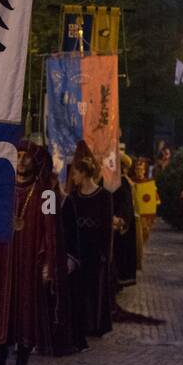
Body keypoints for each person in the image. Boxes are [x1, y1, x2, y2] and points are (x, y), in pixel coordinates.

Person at [0, 140, 75, 365]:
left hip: (29, 260)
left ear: (35, 160)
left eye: (26, 156)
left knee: (26, 313)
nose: (21, 160)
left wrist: (50, 263)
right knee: (0, 309)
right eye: (17, 155)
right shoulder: (2, 189)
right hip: (1, 257)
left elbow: (53, 232)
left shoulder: (47, 194)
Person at [62, 143, 113, 339]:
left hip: (95, 250)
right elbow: (66, 226)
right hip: (78, 249)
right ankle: (82, 323)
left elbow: (107, 229)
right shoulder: (73, 198)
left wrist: (105, 255)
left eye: (75, 173)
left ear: (83, 173)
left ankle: (96, 325)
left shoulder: (104, 196)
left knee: (95, 289)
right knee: (79, 289)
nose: (72, 178)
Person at [112, 150, 137, 290]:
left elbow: (125, 205)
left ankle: (119, 281)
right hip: (116, 222)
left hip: (119, 226)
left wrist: (120, 220)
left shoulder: (123, 182)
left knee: (120, 254)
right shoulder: (115, 181)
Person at [131, 155, 160, 267]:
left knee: (144, 235)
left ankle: (139, 255)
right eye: (137, 169)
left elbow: (154, 200)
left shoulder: (149, 183)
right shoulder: (131, 182)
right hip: (135, 214)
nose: (139, 171)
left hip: (145, 216)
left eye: (141, 169)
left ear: (144, 170)